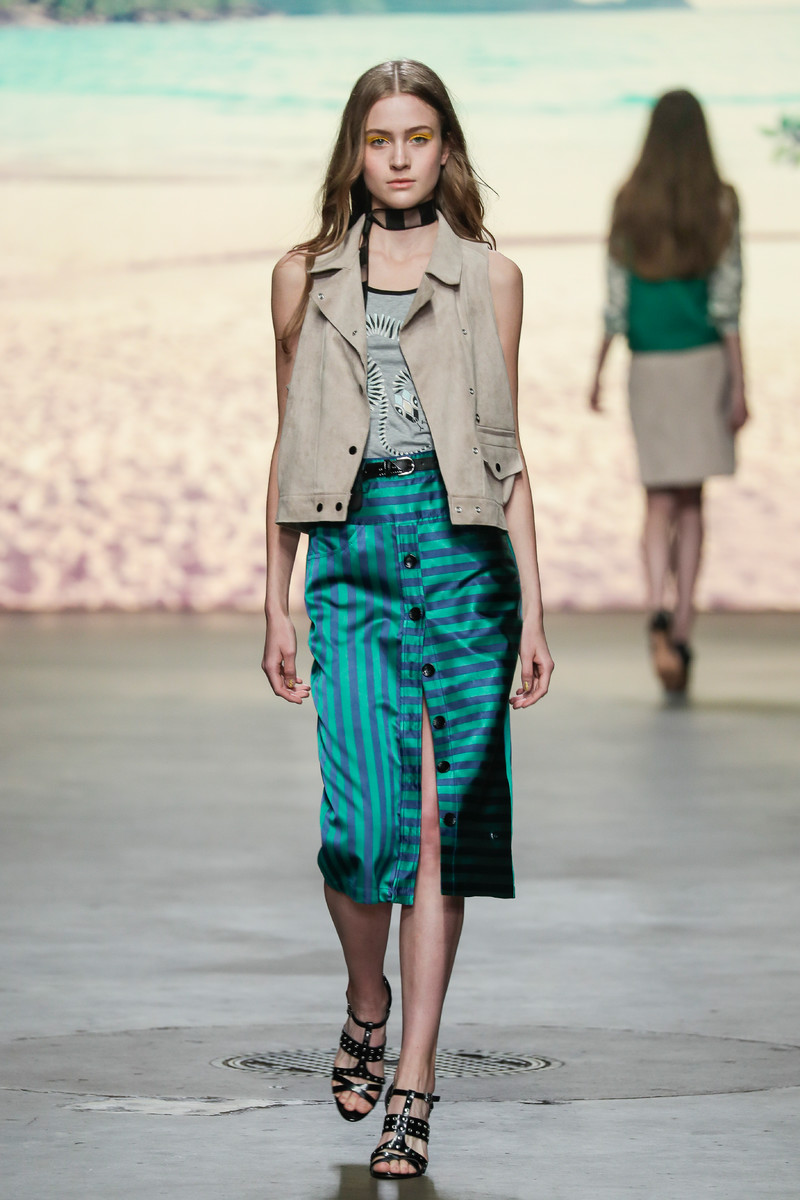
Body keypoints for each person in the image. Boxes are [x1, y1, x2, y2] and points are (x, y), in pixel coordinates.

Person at [261, 60, 553, 1180]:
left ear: (445, 149)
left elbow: (507, 453)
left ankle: (415, 1076)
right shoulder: (303, 278)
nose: (397, 156)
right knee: (357, 825)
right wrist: (275, 597)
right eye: (379, 137)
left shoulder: (492, 278)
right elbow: (288, 446)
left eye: (417, 137)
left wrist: (533, 612)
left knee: (443, 826)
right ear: (354, 149)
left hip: (463, 548)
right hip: (350, 551)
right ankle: (366, 1000)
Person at [589, 89, 748, 694]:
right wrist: (740, 384)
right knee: (692, 502)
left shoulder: (629, 201)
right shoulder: (721, 201)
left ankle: (654, 603)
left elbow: (616, 300)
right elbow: (728, 301)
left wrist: (598, 369)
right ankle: (681, 627)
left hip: (649, 364)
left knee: (656, 499)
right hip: (703, 362)